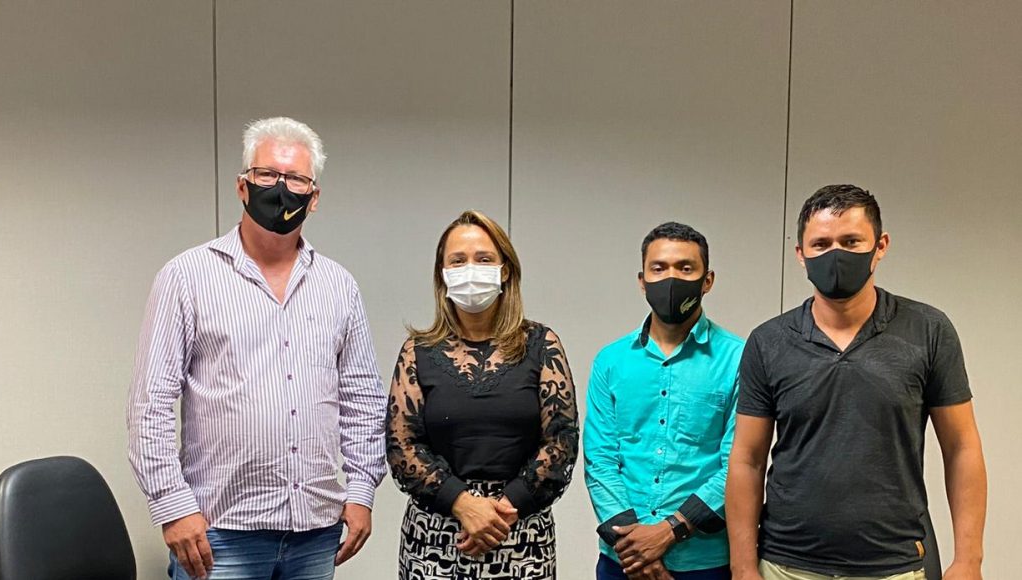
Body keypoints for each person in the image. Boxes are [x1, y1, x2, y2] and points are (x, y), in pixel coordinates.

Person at [127, 117, 387, 580]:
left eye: (297, 179)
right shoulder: (186, 277)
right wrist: (172, 505)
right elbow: (150, 404)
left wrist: (362, 490)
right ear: (242, 186)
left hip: (315, 532)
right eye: (267, 174)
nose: (281, 189)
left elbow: (362, 399)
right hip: (218, 535)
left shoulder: (338, 286)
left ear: (314, 197)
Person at [726, 185, 987, 580]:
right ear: (800, 254)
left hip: (893, 566)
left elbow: (962, 447)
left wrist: (969, 560)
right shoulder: (768, 342)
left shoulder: (929, 330)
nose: (835, 255)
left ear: (880, 246)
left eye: (851, 242)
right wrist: (743, 566)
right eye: (821, 244)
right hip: (786, 566)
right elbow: (747, 459)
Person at [386, 210, 580, 580]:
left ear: (505, 270)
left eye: (484, 259)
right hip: (437, 534)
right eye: (458, 260)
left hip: (520, 531)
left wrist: (501, 511)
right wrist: (462, 504)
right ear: (443, 274)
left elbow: (561, 441)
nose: (471, 269)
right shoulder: (418, 351)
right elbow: (402, 446)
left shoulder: (542, 344)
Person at [585, 222, 743, 580]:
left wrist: (670, 531)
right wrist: (634, 550)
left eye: (685, 268)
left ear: (707, 280)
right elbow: (600, 460)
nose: (671, 278)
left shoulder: (739, 359)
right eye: (659, 268)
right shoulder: (610, 361)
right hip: (621, 561)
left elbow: (736, 464)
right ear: (642, 281)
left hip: (703, 561)